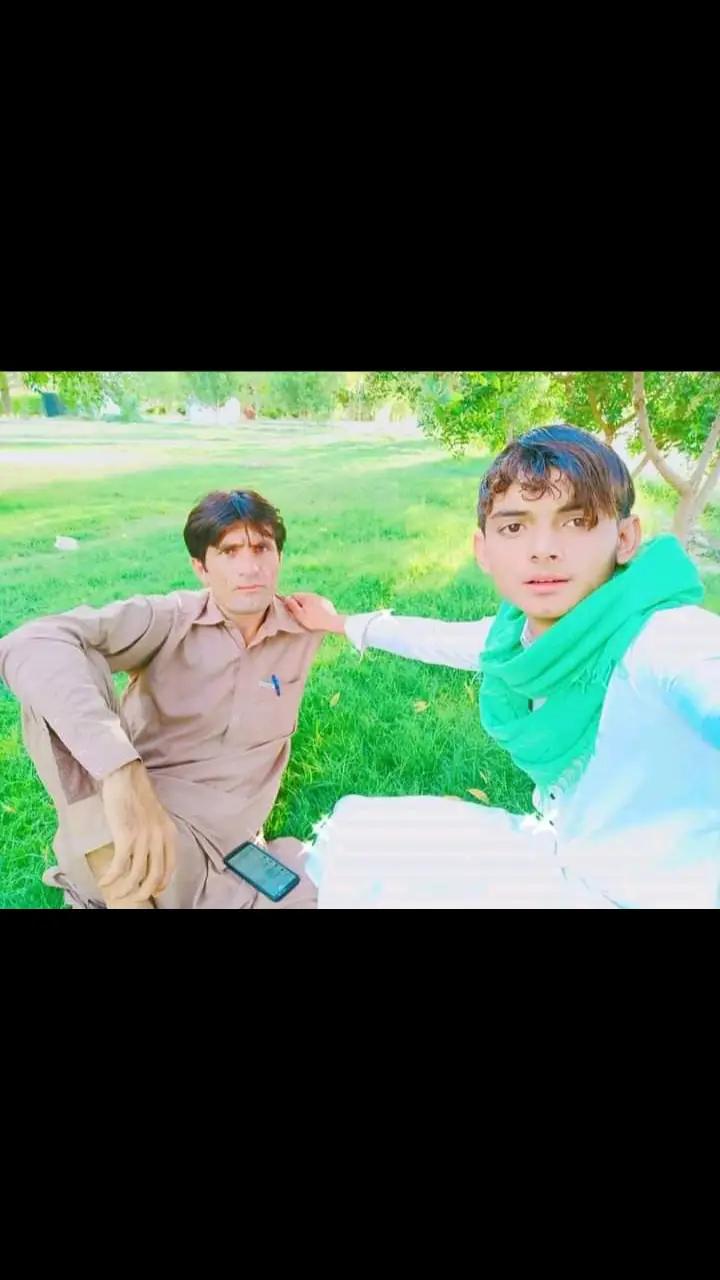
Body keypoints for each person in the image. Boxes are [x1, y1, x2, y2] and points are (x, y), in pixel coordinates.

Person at [285, 425, 720, 909]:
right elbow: (437, 639)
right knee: (360, 832)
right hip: (571, 855)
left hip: (649, 895)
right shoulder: (516, 642)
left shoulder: (661, 637)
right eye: (515, 527)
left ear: (624, 538)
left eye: (576, 521)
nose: (543, 548)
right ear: (484, 550)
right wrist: (338, 622)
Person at [0, 489, 326, 909]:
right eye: (229, 551)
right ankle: (126, 893)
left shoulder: (304, 624)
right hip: (142, 825)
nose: (249, 567)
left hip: (231, 847)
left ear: (279, 556)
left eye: (261, 547)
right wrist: (120, 770)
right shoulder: (169, 620)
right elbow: (29, 643)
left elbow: (375, 628)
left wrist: (337, 621)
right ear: (200, 567)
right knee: (58, 682)